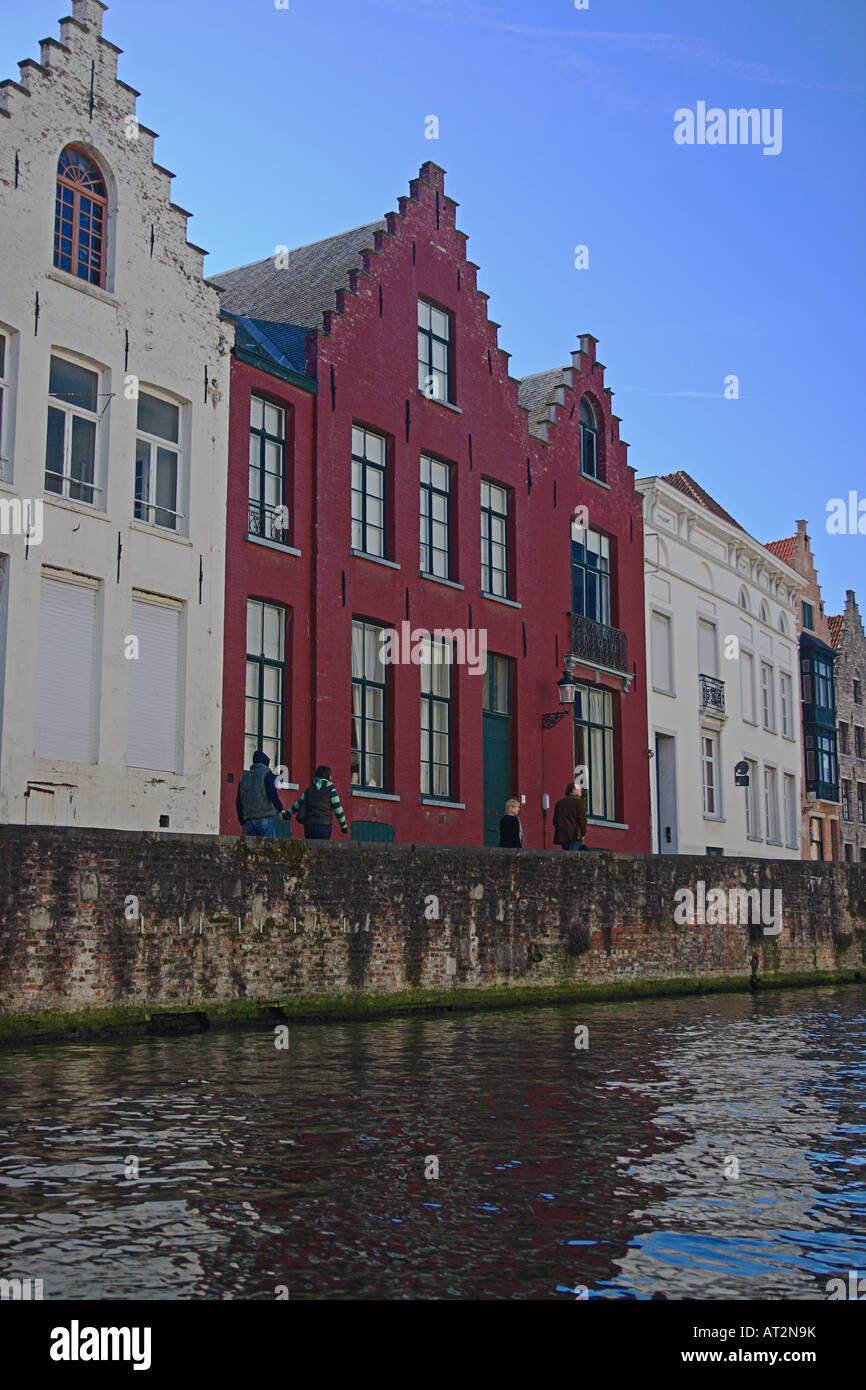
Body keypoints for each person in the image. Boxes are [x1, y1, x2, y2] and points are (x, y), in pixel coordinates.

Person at [236, 750, 290, 837]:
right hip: (264, 818)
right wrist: (280, 809)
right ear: (265, 763)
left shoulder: (244, 777)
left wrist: (242, 821)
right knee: (268, 848)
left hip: (249, 820)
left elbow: (239, 801)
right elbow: (272, 793)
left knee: (251, 849)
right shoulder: (267, 774)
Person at [287, 764, 349, 840]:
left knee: (310, 850)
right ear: (328, 777)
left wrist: (286, 814)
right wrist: (344, 827)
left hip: (309, 828)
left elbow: (297, 805)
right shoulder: (331, 790)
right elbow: (338, 810)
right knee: (322, 850)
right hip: (324, 828)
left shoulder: (309, 790)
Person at [552, 781, 587, 851]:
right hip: (575, 835)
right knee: (576, 857)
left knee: (566, 857)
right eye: (579, 789)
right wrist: (583, 833)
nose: (581, 790)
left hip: (563, 836)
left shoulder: (559, 803)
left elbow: (555, 820)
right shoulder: (579, 802)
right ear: (574, 790)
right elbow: (582, 820)